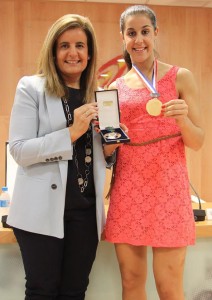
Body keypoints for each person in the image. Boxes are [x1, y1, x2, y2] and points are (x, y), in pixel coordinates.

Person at [104, 5, 205, 300]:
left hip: (169, 189)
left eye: (145, 32)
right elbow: (108, 150)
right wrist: (111, 136)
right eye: (131, 33)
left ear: (155, 33)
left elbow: (197, 141)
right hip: (128, 188)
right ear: (123, 38)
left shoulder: (180, 77)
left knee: (169, 287)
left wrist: (182, 118)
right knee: (132, 283)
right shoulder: (115, 88)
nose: (139, 40)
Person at [7, 14, 108, 300]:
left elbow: (95, 156)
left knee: (75, 293)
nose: (72, 53)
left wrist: (111, 148)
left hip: (85, 215)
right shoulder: (31, 88)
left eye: (80, 45)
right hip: (39, 212)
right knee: (42, 292)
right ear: (53, 51)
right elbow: (19, 150)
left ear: (89, 54)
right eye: (64, 45)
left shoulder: (99, 95)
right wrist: (71, 132)